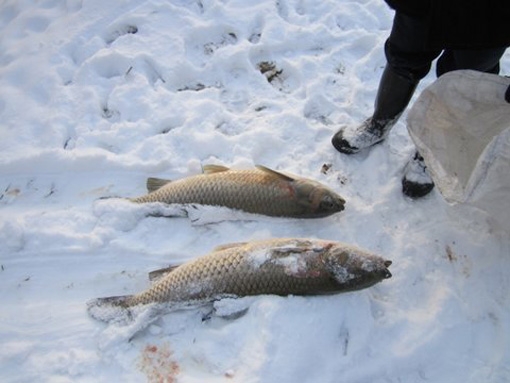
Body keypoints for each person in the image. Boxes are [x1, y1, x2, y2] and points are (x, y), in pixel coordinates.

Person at [331, 0, 510, 198]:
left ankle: (431, 150)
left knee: (464, 80)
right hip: (426, 5)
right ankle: (379, 124)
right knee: (404, 58)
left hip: (493, 16)